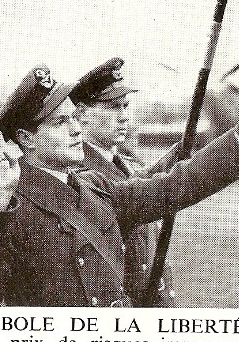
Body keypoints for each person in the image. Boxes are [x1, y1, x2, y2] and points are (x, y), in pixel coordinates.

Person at [0, 65, 239, 307]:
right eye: (60, 122)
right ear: (26, 138)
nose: (76, 129)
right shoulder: (3, 205)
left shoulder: (96, 186)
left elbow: (174, 186)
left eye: (74, 118)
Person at [69, 57, 177, 306]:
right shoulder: (79, 175)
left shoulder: (125, 164)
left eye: (126, 106)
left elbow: (141, 181)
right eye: (113, 107)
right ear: (82, 114)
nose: (124, 117)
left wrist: (178, 152)